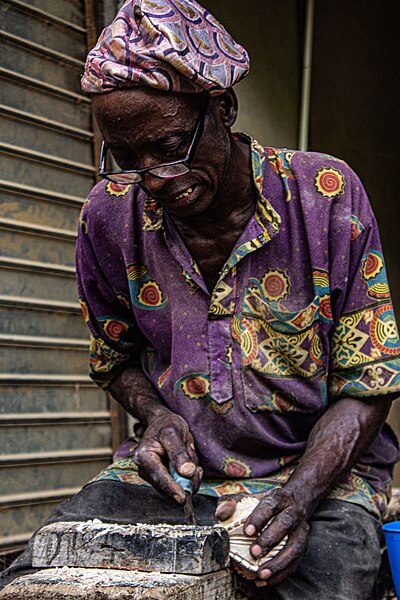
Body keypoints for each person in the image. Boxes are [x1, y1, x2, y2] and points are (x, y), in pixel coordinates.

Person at [1, 1, 400, 598]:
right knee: (44, 576)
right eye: (127, 157)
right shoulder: (108, 216)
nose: (153, 178)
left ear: (224, 109)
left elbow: (370, 384)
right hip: (182, 482)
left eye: (168, 146)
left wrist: (297, 498)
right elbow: (117, 359)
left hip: (321, 480)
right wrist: (158, 417)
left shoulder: (326, 196)